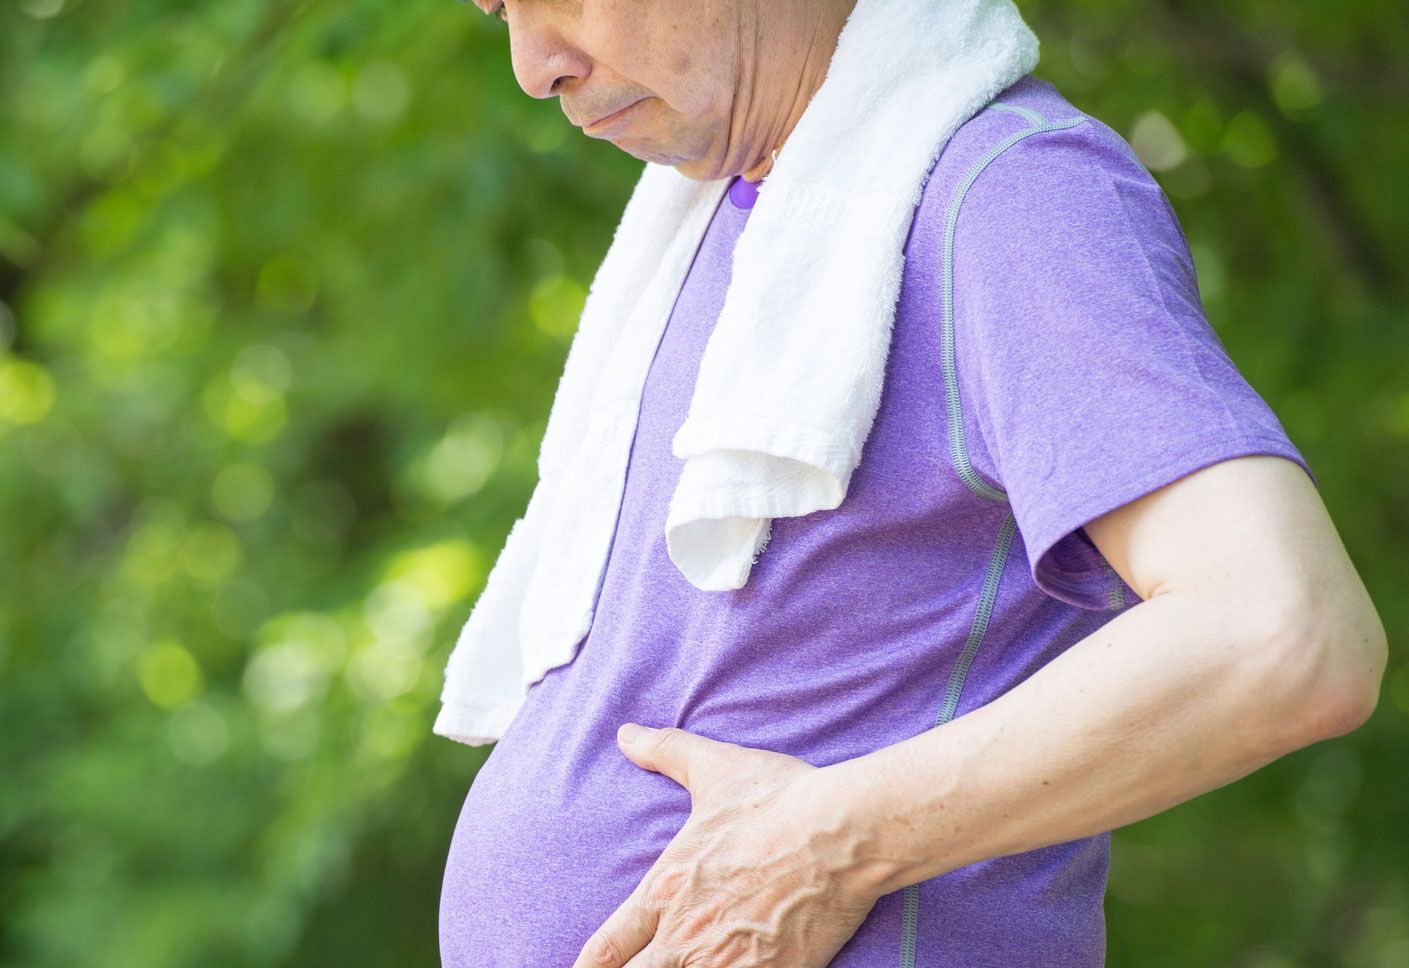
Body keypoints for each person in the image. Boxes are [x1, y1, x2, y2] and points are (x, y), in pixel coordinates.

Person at [438, 0, 1388, 965]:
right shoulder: (728, 217)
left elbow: (1283, 630)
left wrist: (820, 848)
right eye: (498, 9)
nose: (533, 67)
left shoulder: (1011, 190)